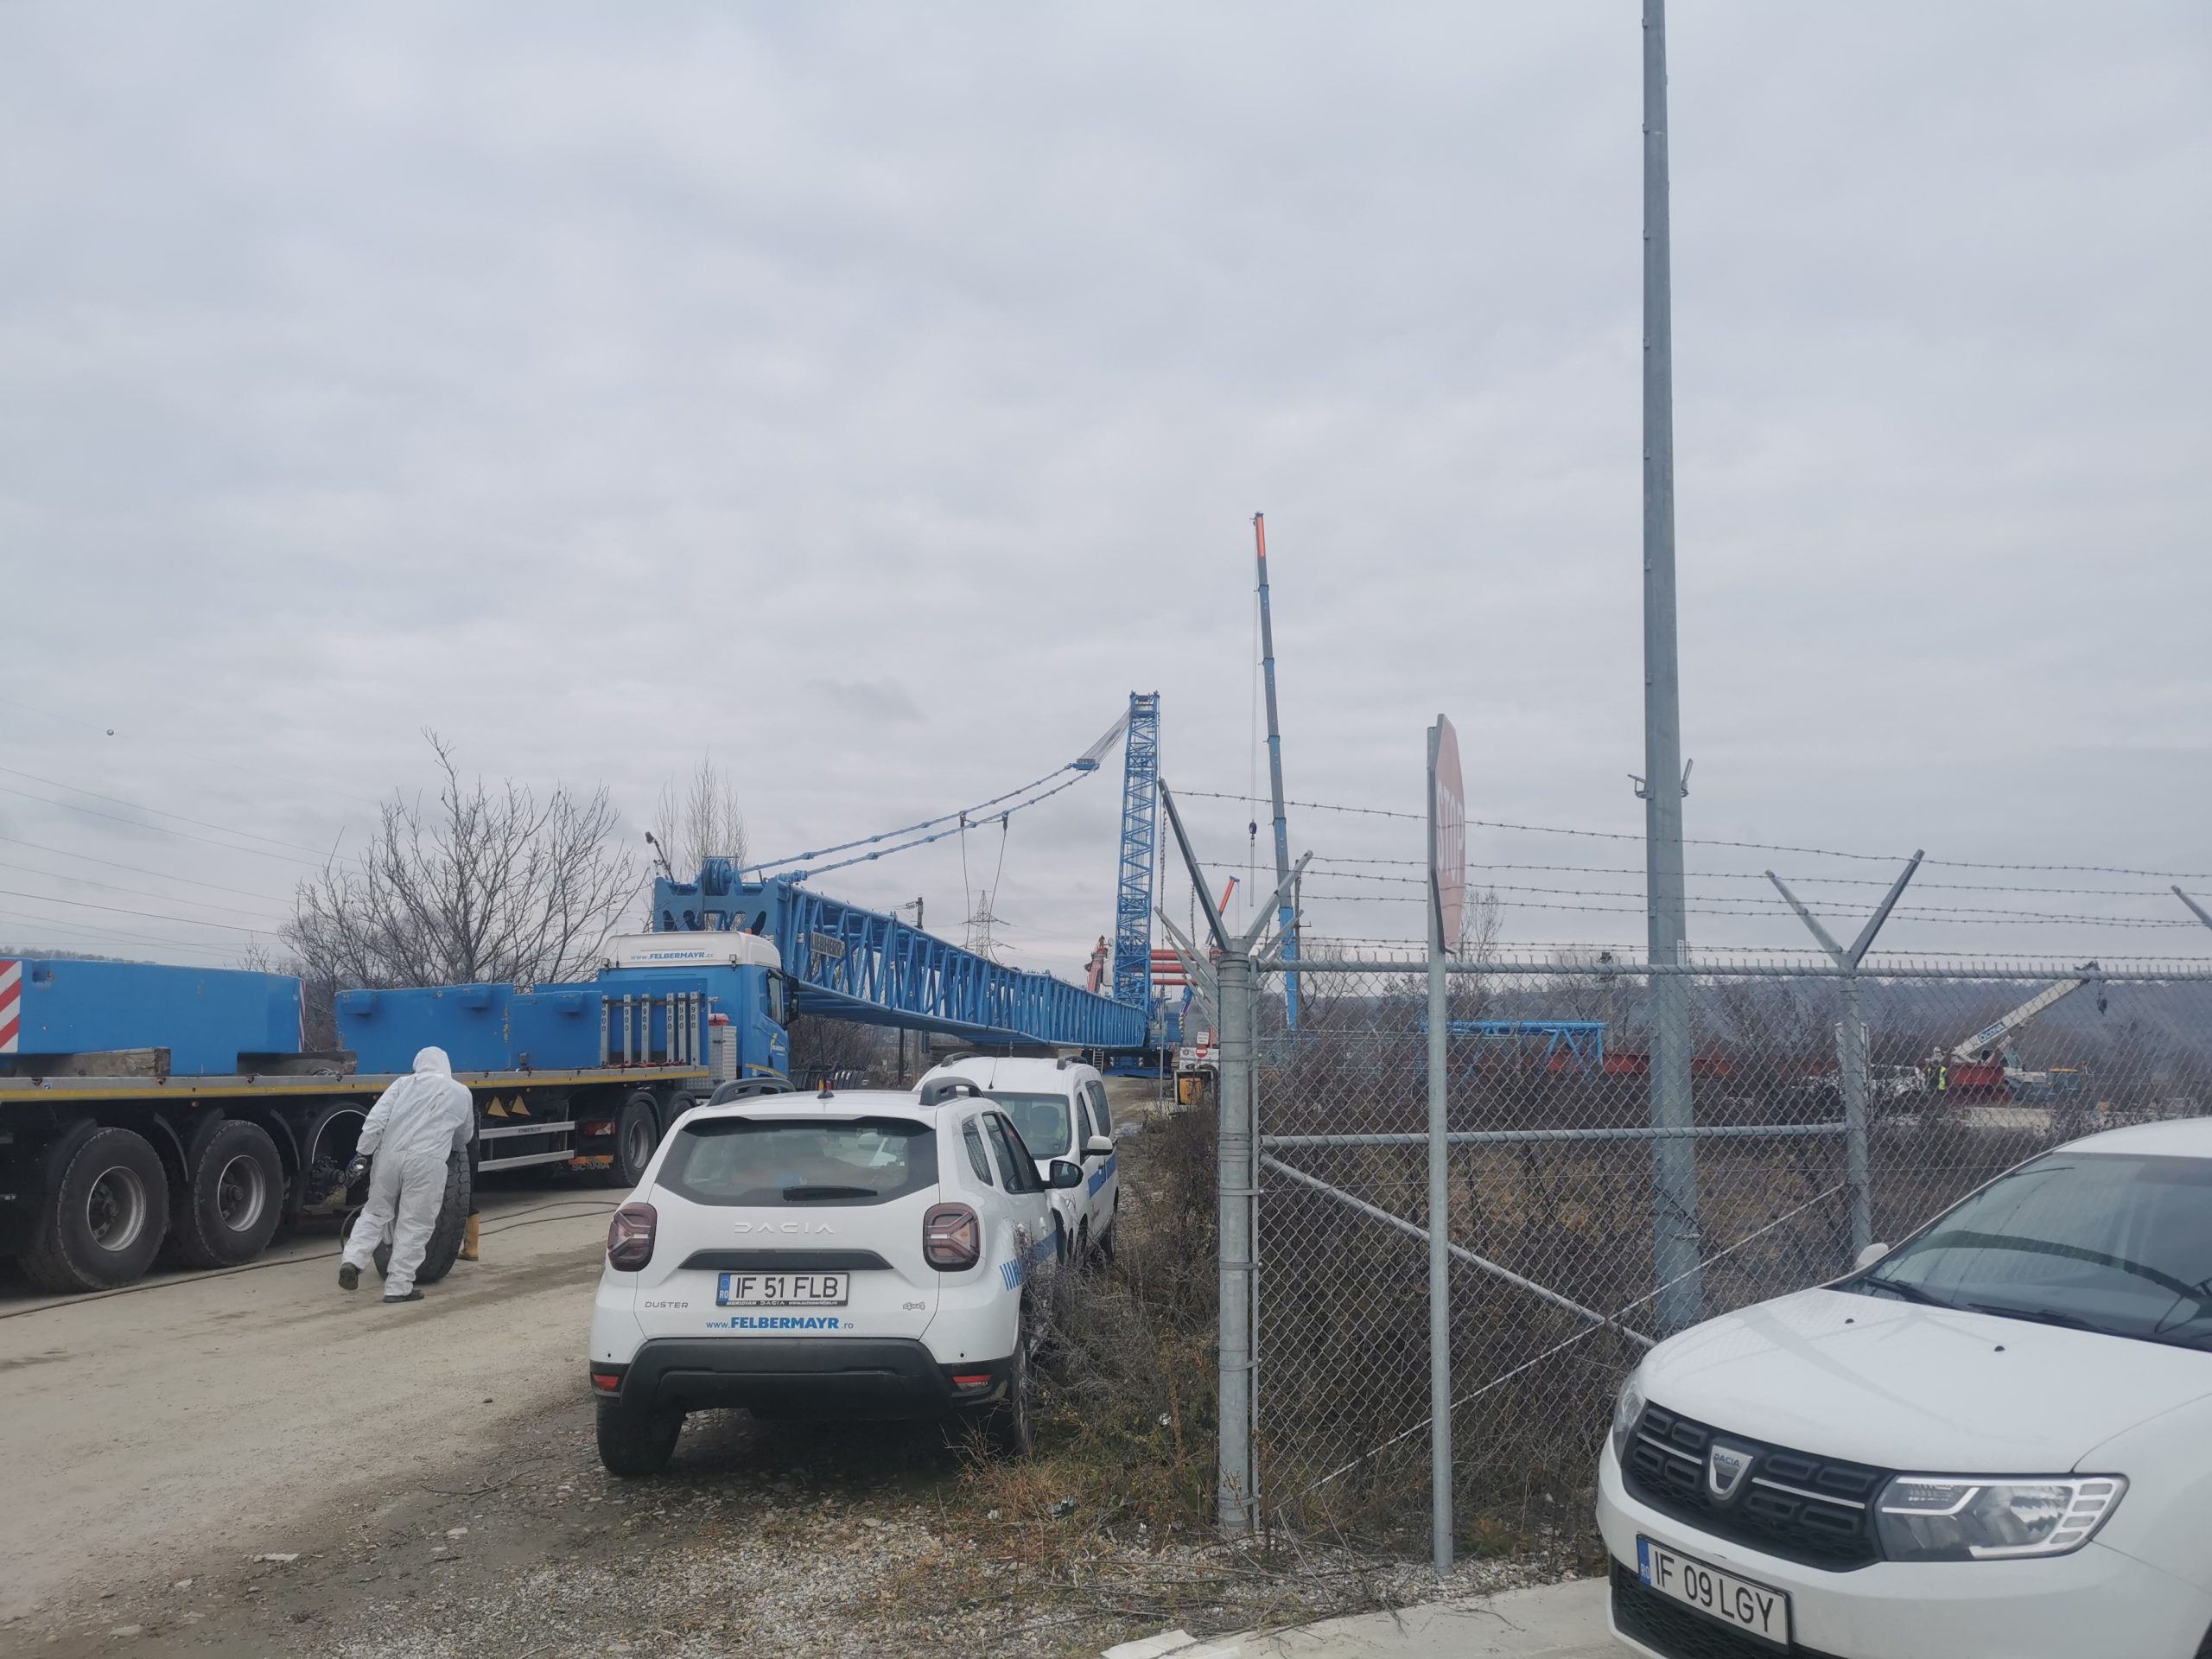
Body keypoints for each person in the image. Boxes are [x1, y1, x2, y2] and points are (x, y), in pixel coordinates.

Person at [339, 1046, 475, 1304]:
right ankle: (398, 1287)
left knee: (375, 1213)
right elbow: (464, 1136)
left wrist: (363, 1152)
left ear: (418, 1065)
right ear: (446, 1066)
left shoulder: (402, 1084)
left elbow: (376, 1120)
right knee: (414, 1223)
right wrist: (452, 1145)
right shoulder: (460, 1092)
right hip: (427, 1162)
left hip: (388, 1158)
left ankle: (353, 1260)